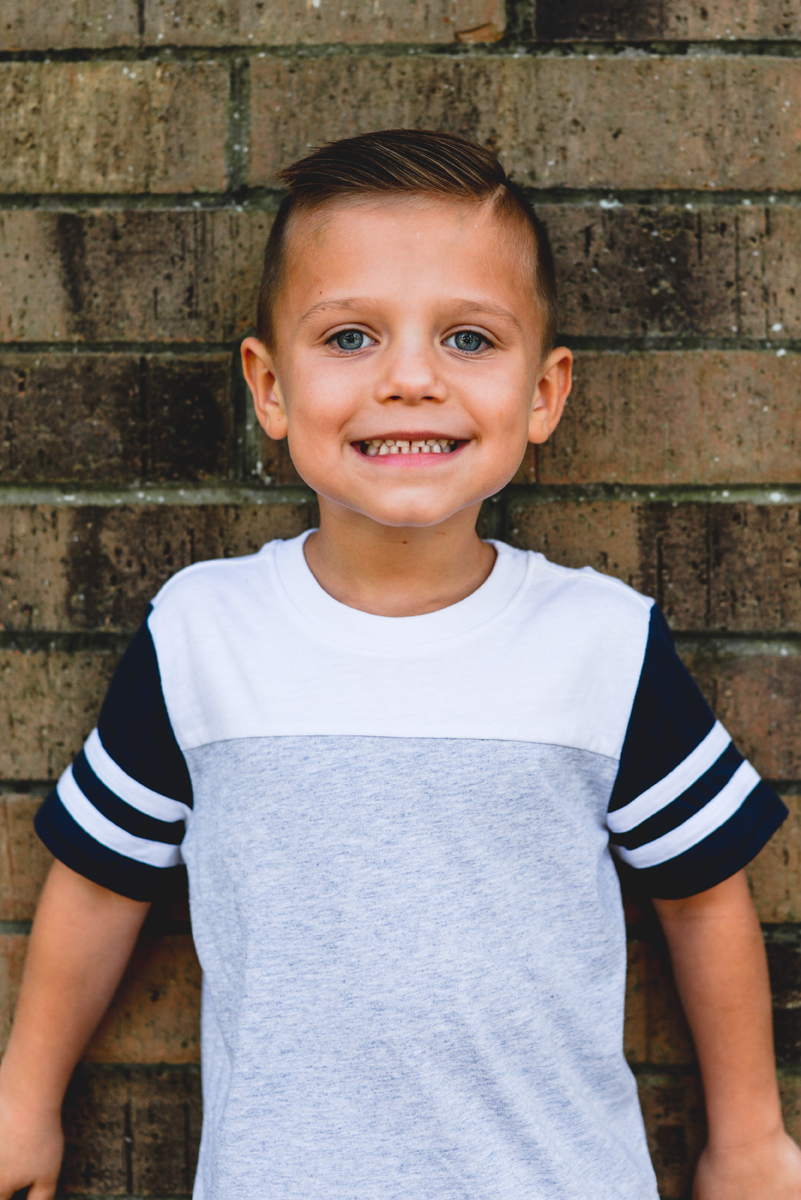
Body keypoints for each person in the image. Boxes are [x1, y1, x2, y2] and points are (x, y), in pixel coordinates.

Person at [0, 128, 799, 1200]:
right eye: (351, 338)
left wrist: (747, 1139)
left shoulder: (601, 643)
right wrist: (22, 1100)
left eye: (469, 340)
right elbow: (100, 886)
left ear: (544, 394)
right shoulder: (203, 633)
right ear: (270, 387)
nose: (412, 378)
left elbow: (703, 899)